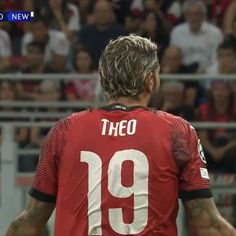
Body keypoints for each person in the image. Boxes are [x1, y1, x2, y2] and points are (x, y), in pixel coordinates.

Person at [6, 35, 236, 236]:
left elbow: (30, 222)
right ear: (150, 81)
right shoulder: (177, 130)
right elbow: (209, 226)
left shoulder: (63, 131)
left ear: (104, 80)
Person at [170, 1, 223, 71]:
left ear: (203, 16)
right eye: (190, 14)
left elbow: (217, 58)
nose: (193, 18)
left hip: (209, 74)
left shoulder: (215, 33)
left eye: (197, 14)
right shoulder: (176, 32)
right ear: (185, 16)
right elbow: (173, 57)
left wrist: (208, 71)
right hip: (184, 74)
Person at [197, 81, 236, 173]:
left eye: (223, 89)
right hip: (211, 145)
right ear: (211, 92)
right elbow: (203, 138)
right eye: (216, 89)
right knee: (199, 154)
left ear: (229, 91)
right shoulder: (204, 109)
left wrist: (223, 150)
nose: (219, 93)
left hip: (230, 146)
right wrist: (213, 151)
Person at [78, 0, 125, 66]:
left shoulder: (120, 32)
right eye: (99, 12)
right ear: (94, 13)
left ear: (111, 13)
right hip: (88, 73)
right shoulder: (85, 32)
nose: (102, 14)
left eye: (105, 11)